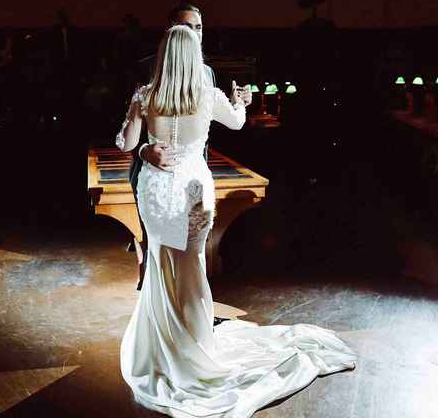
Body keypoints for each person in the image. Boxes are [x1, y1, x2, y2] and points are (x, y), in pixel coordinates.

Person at [116, 25, 357, 418]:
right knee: (193, 269)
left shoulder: (145, 96)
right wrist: (241, 101)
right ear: (195, 58)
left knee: (161, 264)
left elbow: (126, 144)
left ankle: (165, 348)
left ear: (163, 56)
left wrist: (144, 144)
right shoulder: (208, 97)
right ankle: (196, 350)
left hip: (157, 193)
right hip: (194, 189)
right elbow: (239, 123)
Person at [127, 2, 252, 290]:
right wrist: (145, 150)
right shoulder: (145, 69)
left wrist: (236, 103)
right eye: (187, 28)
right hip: (153, 172)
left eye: (198, 27)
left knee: (192, 256)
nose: (195, 34)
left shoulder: (207, 74)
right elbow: (127, 130)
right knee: (155, 254)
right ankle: (162, 317)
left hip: (193, 170)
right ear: (171, 30)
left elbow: (213, 122)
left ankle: (192, 315)